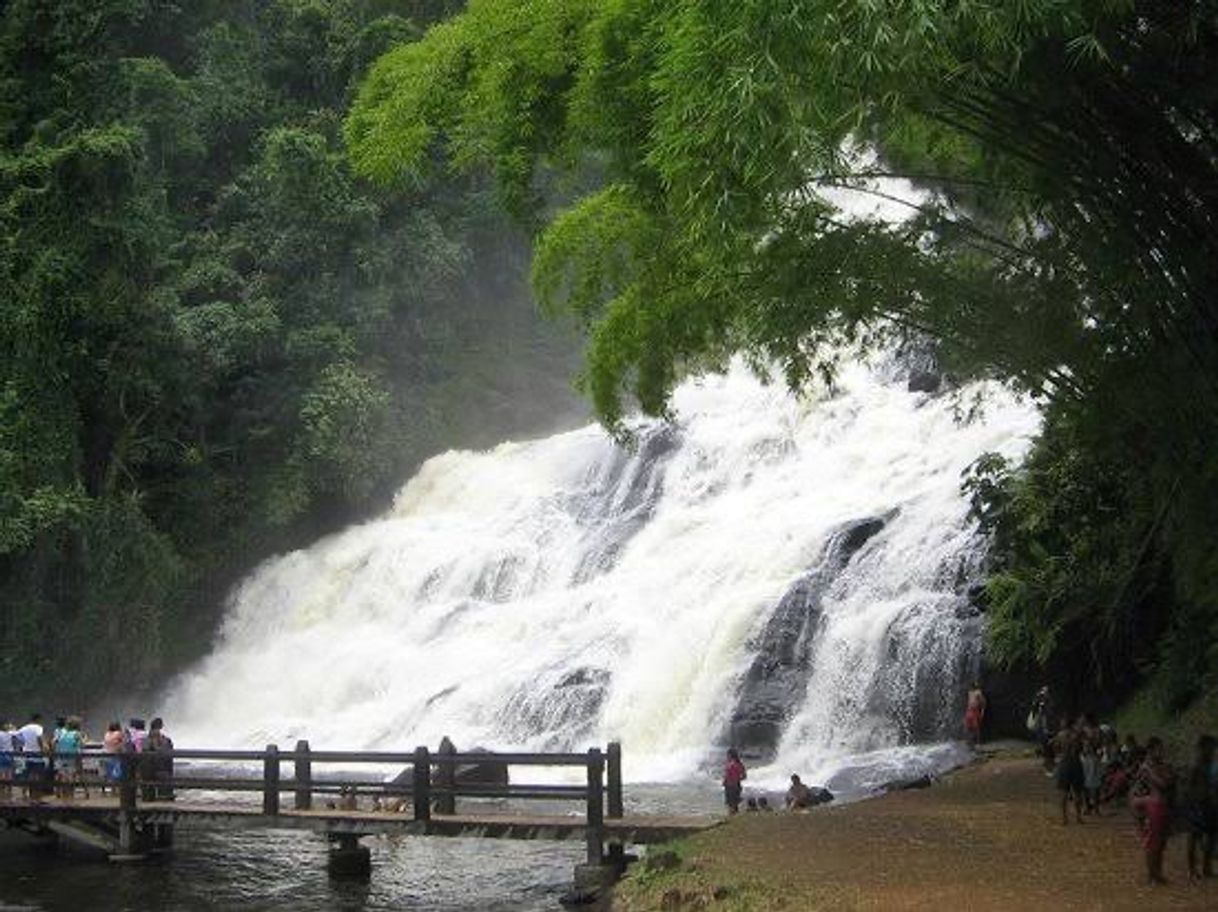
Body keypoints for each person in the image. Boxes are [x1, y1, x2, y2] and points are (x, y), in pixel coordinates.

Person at [1131, 736, 1175, 885]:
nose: (1161, 751)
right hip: (1154, 806)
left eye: (1161, 748)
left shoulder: (1157, 765)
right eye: (1158, 748)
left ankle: (1157, 873)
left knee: (1161, 843)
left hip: (1162, 806)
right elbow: (1163, 783)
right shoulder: (1146, 767)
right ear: (1151, 750)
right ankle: (1152, 875)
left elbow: (1168, 782)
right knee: (1153, 844)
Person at [1183, 734, 1216, 881]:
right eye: (1210, 747)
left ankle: (1206, 867)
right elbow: (1188, 788)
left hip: (1210, 804)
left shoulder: (1211, 764)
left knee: (1211, 836)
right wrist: (1195, 803)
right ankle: (1191, 869)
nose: (1212, 750)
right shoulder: (1195, 765)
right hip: (1197, 805)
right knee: (1194, 837)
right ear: (1202, 748)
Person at [1052, 717, 1085, 824]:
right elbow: (1081, 748)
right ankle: (1078, 817)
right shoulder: (1077, 735)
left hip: (1064, 762)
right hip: (1076, 762)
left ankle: (1064, 818)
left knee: (1064, 792)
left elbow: (1056, 748)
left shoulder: (1060, 735)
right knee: (1077, 792)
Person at [15, 713, 47, 800]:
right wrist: (44, 748)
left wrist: (23, 743)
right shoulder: (39, 728)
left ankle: (24, 794)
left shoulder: (24, 728)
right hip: (37, 754)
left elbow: (16, 735)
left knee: (27, 774)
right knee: (38, 776)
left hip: (26, 754)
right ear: (38, 719)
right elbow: (40, 738)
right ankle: (36, 796)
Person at [143, 717, 174, 801]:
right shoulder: (164, 739)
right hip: (159, 767)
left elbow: (145, 751)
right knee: (164, 776)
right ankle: (165, 796)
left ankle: (151, 797)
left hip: (150, 768)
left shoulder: (147, 739)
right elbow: (166, 751)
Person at [54, 718, 84, 800]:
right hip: (72, 757)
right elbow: (82, 744)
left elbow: (55, 742)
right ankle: (71, 797)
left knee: (63, 777)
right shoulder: (76, 733)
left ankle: (64, 797)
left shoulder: (62, 733)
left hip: (61, 757)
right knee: (71, 777)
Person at [102, 721, 125, 792]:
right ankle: (116, 789)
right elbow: (123, 742)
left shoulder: (106, 734)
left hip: (106, 755)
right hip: (115, 755)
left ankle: (110, 789)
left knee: (108, 773)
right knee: (118, 772)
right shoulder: (118, 734)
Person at [722, 749, 746, 815]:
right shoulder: (739, 764)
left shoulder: (731, 764)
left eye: (728, 755)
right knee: (734, 804)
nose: (727, 756)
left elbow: (727, 775)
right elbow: (744, 776)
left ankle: (732, 816)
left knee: (731, 804)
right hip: (735, 785)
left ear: (731, 755)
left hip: (731, 786)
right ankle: (734, 816)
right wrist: (737, 779)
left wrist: (728, 781)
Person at [964, 682, 986, 748]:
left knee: (976, 727)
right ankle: (970, 741)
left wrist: (982, 711)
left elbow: (983, 702)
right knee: (968, 726)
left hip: (975, 710)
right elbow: (968, 701)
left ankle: (978, 742)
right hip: (969, 710)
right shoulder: (969, 693)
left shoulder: (978, 692)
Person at [0, 721, 15, 799]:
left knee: (4, 773)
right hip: (8, 754)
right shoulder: (10, 733)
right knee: (8, 773)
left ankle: (3, 792)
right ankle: (8, 791)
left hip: (3, 754)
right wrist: (12, 728)